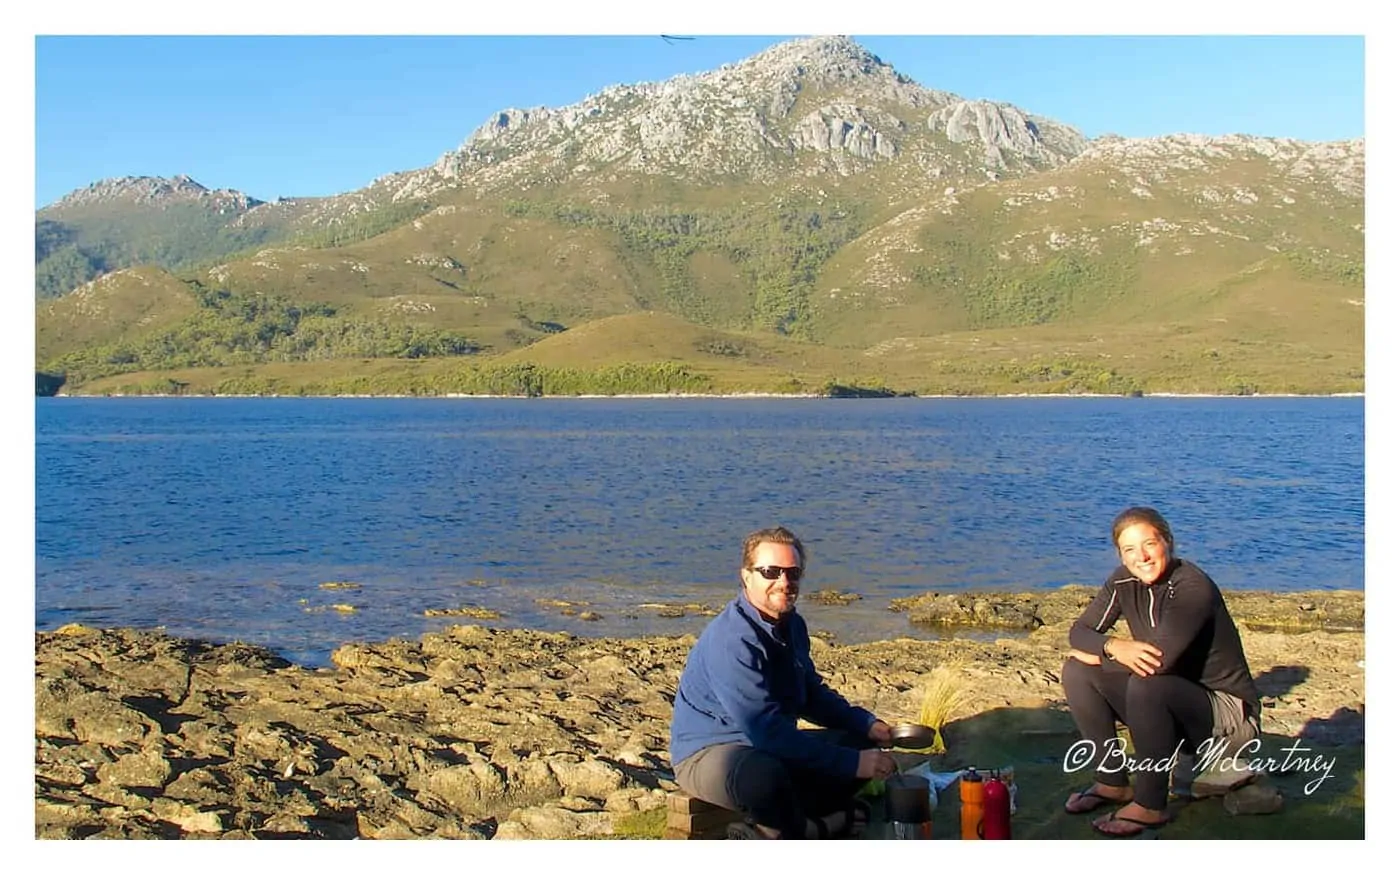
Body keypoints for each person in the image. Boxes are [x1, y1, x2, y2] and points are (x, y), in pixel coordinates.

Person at [668, 525, 900, 839]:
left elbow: (810, 695)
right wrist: (852, 764)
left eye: (793, 573)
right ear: (746, 576)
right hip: (712, 752)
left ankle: (788, 824)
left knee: (859, 743)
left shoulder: (792, 625)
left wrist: (866, 724)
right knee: (766, 778)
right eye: (771, 571)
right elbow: (766, 731)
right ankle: (812, 828)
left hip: (769, 745)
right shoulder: (733, 640)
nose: (784, 582)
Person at [1061, 507, 1262, 837]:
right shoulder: (1123, 582)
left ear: (1167, 542)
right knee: (1077, 671)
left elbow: (1159, 662)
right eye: (1129, 549)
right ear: (1120, 555)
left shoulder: (1192, 586)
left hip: (1228, 719)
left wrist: (1107, 655)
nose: (1141, 556)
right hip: (1169, 701)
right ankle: (1112, 783)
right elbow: (1080, 632)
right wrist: (1113, 645)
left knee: (1146, 683)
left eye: (1149, 544)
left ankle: (1150, 804)